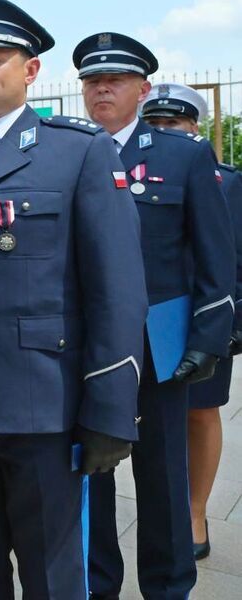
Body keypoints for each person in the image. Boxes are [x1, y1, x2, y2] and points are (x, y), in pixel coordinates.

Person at [0, 0, 147, 598]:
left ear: (31, 71)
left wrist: (111, 410)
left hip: (46, 409)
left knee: (55, 575)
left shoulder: (78, 151)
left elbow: (116, 291)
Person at [73, 36, 236, 600]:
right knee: (88, 475)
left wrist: (209, 336)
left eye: (114, 81)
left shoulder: (182, 156)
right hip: (84, 347)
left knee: (164, 476)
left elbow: (216, 259)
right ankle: (96, 586)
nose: (101, 90)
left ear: (142, 90)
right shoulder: (66, 152)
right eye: (92, 82)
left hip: (156, 346)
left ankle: (168, 587)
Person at [141, 83, 242, 562]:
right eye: (154, 124)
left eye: (173, 124)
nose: (163, 132)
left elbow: (233, 259)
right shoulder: (126, 172)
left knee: (200, 412)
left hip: (203, 316)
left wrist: (230, 322)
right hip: (148, 318)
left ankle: (195, 511)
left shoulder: (229, 181)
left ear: (195, 129)